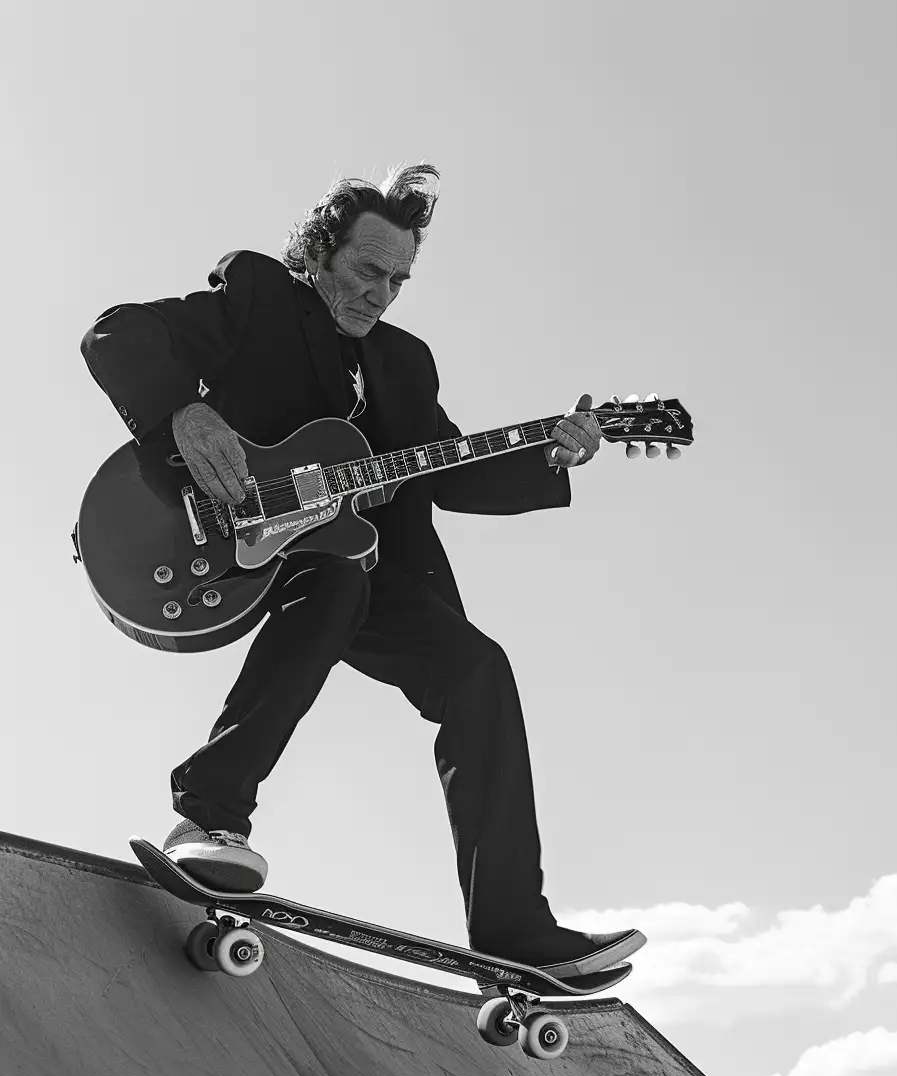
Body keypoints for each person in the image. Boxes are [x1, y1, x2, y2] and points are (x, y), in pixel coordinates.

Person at [81, 164, 666, 979]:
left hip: (358, 553)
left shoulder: (403, 364)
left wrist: (554, 456)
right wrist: (184, 409)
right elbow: (116, 333)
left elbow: (448, 469)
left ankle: (512, 929)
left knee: (477, 670)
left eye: (399, 279)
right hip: (217, 535)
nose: (382, 293)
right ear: (318, 256)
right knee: (336, 581)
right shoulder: (258, 301)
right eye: (367, 270)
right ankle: (208, 819)